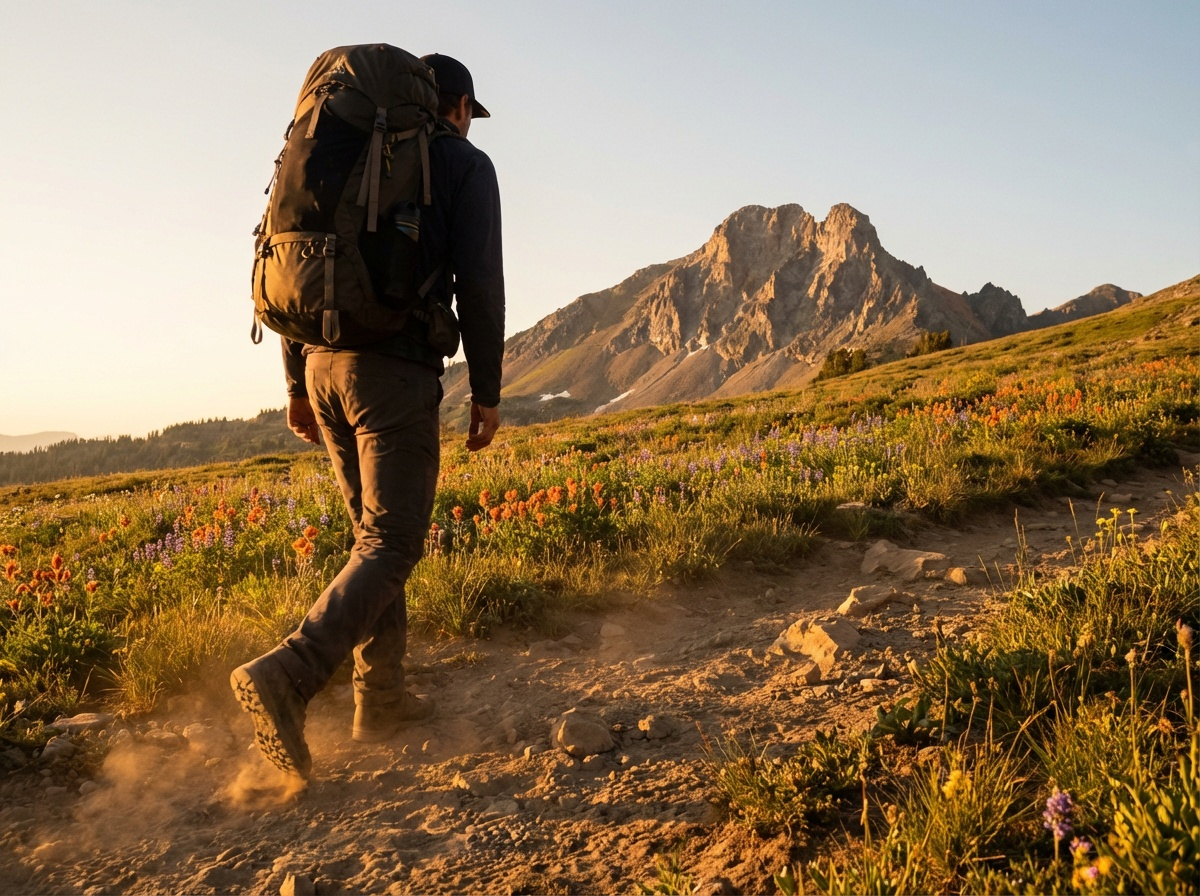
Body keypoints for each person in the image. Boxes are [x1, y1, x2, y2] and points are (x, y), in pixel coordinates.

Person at [230, 52, 505, 781]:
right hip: (392, 373)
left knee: (370, 540)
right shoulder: (462, 167)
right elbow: (480, 283)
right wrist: (488, 389)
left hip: (321, 366)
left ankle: (379, 700)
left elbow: (304, 257)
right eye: (468, 116)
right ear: (454, 107)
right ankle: (289, 675)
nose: (468, 128)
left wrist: (295, 383)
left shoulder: (337, 153)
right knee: (392, 541)